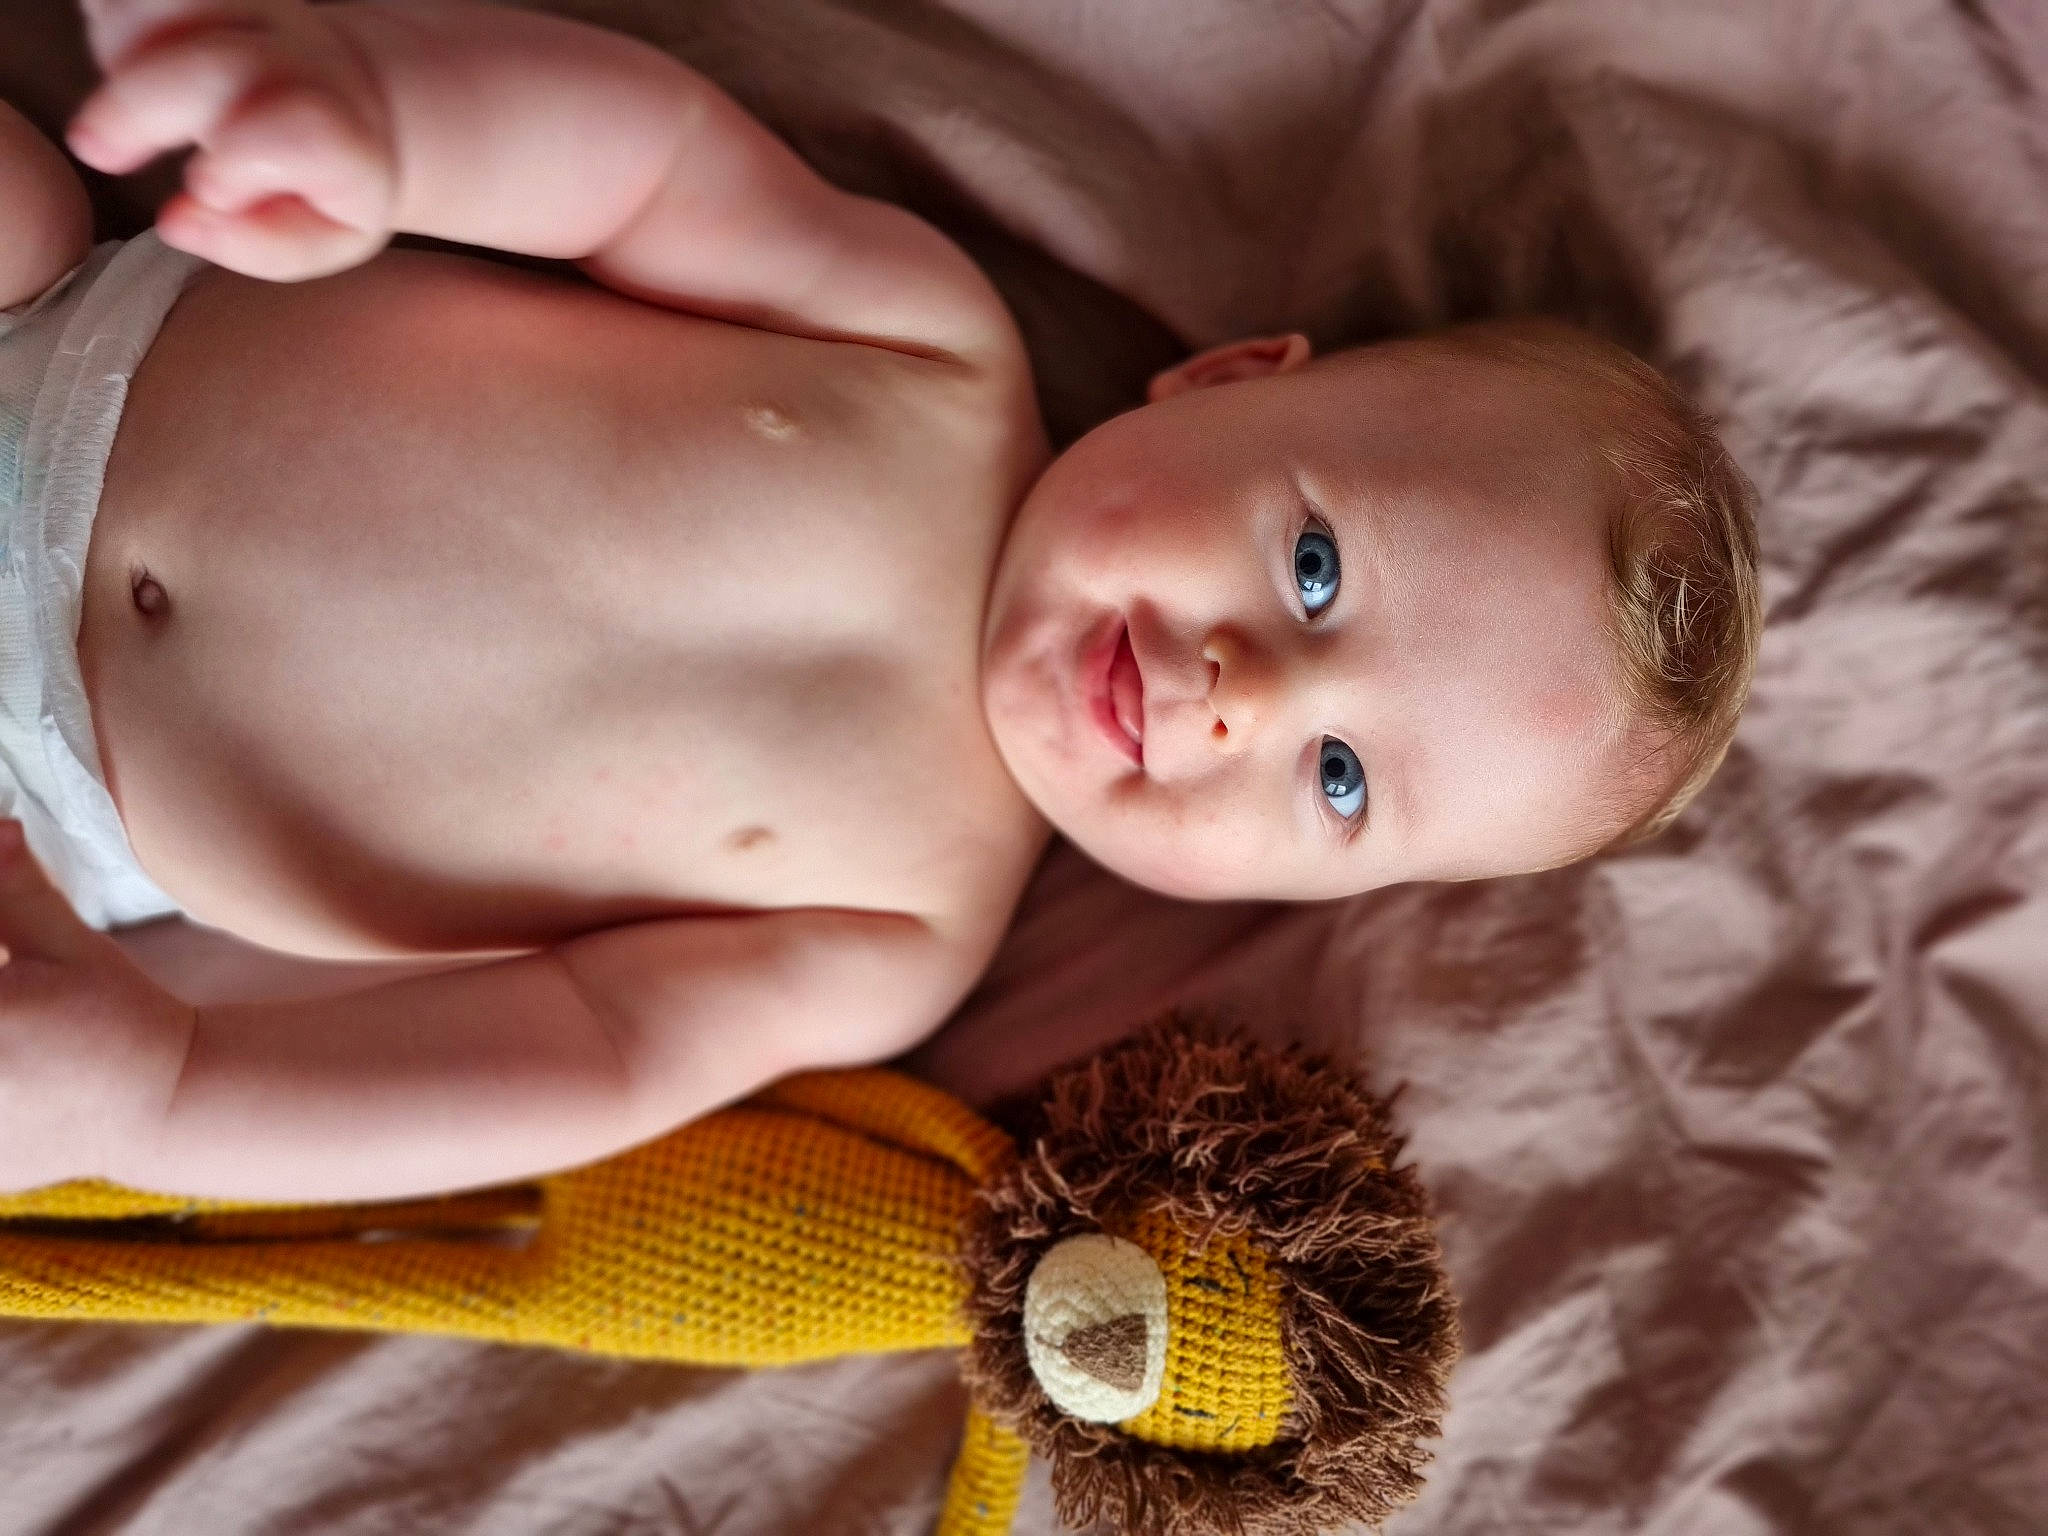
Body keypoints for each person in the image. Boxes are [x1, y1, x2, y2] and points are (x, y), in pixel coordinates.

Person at [0, 0, 1759, 1202]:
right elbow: (652, 163)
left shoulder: (896, 940)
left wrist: (159, 1100)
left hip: (45, 808)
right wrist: (382, 127)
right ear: (1220, 382)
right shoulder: (922, 349)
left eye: (1341, 782)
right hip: (61, 330)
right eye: (1314, 571)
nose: (1245, 697)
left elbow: (569, 1063)